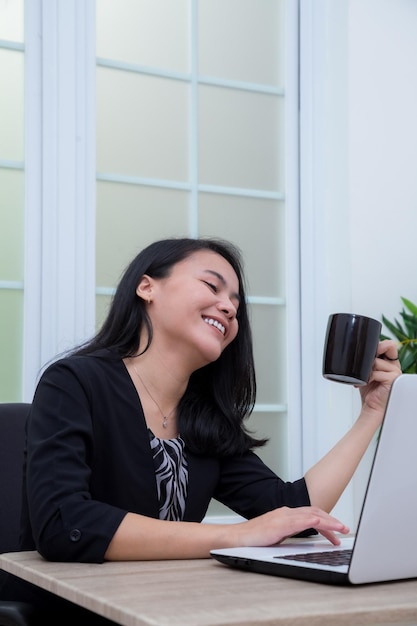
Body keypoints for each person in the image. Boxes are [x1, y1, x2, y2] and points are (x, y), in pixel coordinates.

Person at [1, 237, 401, 612]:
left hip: (169, 604)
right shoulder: (74, 382)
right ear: (147, 288)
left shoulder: (203, 417)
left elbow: (294, 513)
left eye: (235, 303)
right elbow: (64, 524)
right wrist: (235, 536)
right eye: (212, 286)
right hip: (73, 608)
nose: (228, 307)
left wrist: (371, 413)